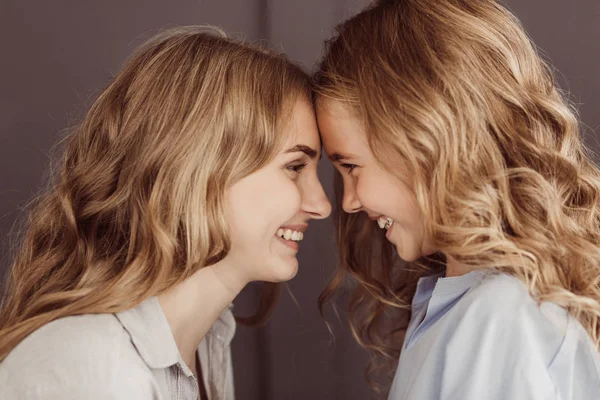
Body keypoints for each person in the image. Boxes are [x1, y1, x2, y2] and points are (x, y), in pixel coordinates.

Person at [0, 26, 331, 399]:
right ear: (199, 167)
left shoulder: (207, 341)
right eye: (295, 167)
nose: (321, 206)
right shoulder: (90, 366)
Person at [314, 0, 600, 398]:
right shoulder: (477, 305)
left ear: (423, 137)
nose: (348, 202)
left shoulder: (500, 315)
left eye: (351, 167)